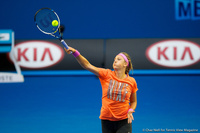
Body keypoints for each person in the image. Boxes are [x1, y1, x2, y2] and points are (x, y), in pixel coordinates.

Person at [65, 47, 138, 133]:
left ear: (125, 64)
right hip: (106, 119)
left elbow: (133, 101)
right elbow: (87, 65)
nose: (115, 61)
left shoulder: (131, 81)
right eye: (114, 59)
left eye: (118, 59)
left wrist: (130, 110)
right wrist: (75, 53)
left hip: (124, 121)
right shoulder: (106, 74)